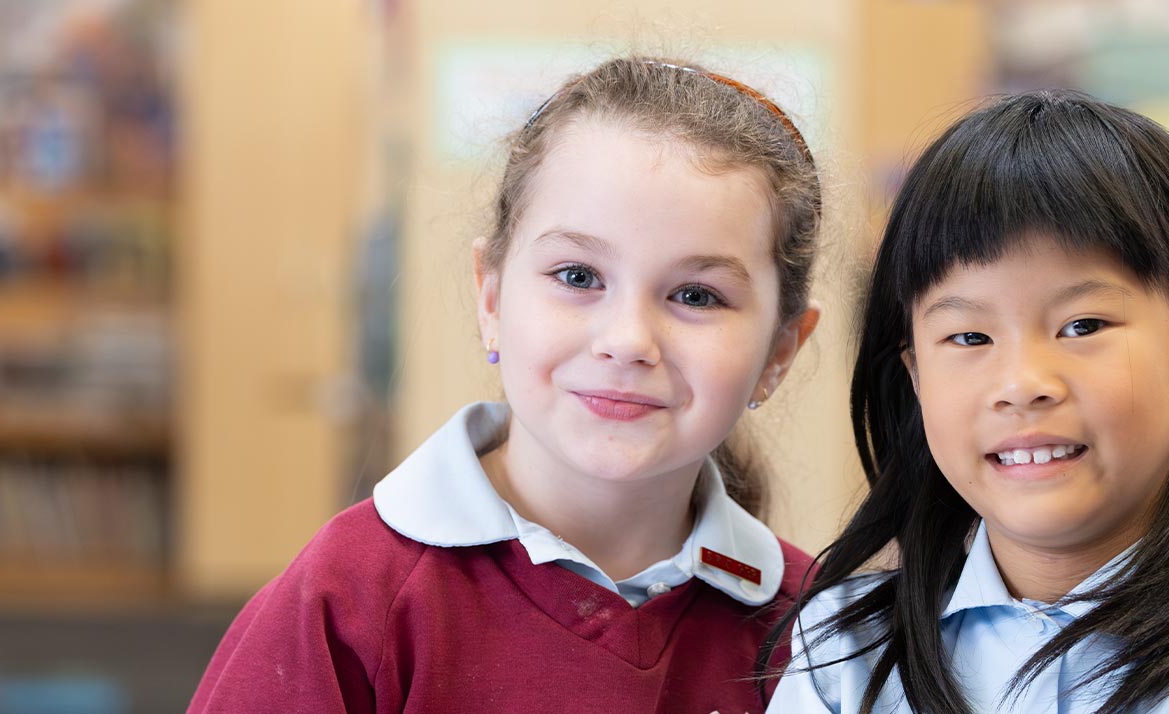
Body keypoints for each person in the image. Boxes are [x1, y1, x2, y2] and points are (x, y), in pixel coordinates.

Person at [192, 55, 825, 712]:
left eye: (696, 294)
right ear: (490, 298)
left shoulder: (817, 637)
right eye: (579, 276)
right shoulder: (349, 598)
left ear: (781, 351)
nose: (628, 341)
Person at [768, 89, 1169, 713]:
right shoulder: (844, 656)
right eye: (969, 336)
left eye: (1082, 326)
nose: (1023, 382)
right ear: (916, 377)